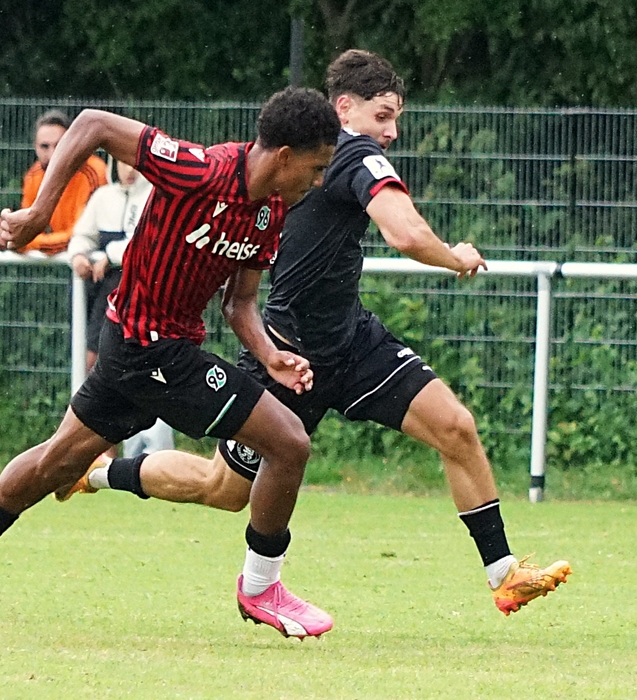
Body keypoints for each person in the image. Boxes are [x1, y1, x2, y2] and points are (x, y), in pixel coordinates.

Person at [67, 49, 572, 616]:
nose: (392, 132)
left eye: (396, 118)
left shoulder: (331, 157)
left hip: (352, 343)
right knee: (222, 490)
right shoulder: (352, 152)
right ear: (344, 108)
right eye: (383, 116)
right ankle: (102, 474)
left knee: (455, 426)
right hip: (288, 356)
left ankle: (504, 573)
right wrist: (455, 257)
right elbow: (405, 233)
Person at [0, 86, 342, 639]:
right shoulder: (199, 170)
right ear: (283, 156)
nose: (319, 181)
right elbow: (92, 123)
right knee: (289, 442)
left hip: (142, 350)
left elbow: (239, 304)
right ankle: (261, 587)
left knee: (55, 465)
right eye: (316, 167)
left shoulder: (270, 211)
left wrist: (270, 355)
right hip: (148, 347)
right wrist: (40, 213)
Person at [61, 157, 173, 481]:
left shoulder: (157, 195)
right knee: (94, 364)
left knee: (143, 369)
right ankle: (100, 453)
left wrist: (110, 256)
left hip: (146, 292)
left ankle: (148, 451)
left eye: (134, 162)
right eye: (123, 163)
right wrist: (79, 255)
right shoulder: (103, 197)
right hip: (109, 293)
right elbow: (82, 235)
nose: (129, 169)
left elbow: (149, 242)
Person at [0, 109, 107, 255]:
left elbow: (80, 237)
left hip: (97, 257)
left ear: (72, 143)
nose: (52, 154)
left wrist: (23, 242)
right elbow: (29, 228)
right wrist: (9, 234)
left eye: (59, 145)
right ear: (35, 147)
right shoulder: (34, 176)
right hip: (72, 258)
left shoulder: (93, 172)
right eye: (44, 146)